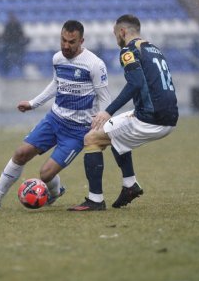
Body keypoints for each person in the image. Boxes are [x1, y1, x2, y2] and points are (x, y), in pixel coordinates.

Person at [0, 20, 111, 211]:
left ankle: (55, 192)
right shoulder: (58, 59)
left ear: (81, 41)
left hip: (77, 131)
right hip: (54, 120)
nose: (66, 46)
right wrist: (32, 103)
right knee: (20, 154)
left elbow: (104, 97)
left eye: (71, 42)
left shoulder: (94, 64)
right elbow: (55, 84)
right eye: (63, 40)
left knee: (45, 174)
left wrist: (102, 122)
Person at [68, 14, 179, 211]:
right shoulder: (153, 49)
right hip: (169, 115)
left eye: (115, 34)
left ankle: (95, 200)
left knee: (92, 138)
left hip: (151, 118)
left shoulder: (129, 50)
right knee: (115, 132)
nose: (116, 39)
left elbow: (135, 83)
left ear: (122, 32)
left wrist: (108, 111)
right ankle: (129, 185)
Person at [1, 12, 29, 77]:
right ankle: (7, 70)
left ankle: (20, 68)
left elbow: (21, 34)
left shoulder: (17, 25)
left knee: (19, 55)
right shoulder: (8, 26)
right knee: (7, 55)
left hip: (16, 43)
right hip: (10, 44)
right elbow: (5, 35)